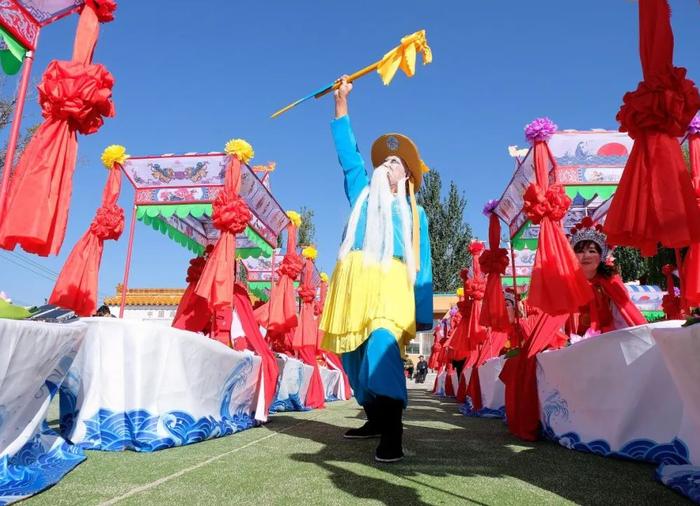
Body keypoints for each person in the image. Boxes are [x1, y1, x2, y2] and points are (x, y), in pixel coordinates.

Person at [319, 76, 433, 463]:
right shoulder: (361, 196)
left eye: (397, 163)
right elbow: (348, 155)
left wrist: (421, 314)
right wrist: (341, 103)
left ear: (408, 178)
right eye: (385, 160)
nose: (388, 164)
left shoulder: (414, 213)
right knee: (353, 357)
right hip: (353, 283)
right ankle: (373, 419)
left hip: (391, 285)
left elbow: (425, 265)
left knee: (382, 348)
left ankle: (393, 432)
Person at [570, 217, 645, 337]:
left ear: (601, 256)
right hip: (573, 342)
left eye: (592, 251)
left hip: (607, 339)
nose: (586, 256)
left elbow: (623, 316)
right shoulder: (568, 283)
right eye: (580, 251)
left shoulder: (610, 282)